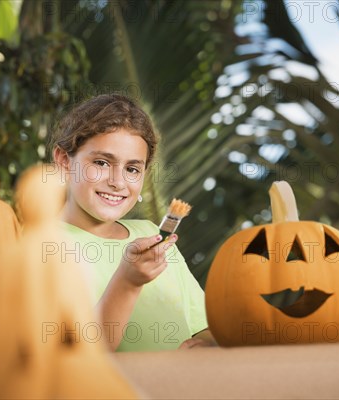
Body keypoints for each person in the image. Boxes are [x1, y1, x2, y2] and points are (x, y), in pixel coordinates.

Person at [50, 93, 215, 351]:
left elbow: (205, 329)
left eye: (132, 169)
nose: (118, 181)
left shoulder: (151, 235)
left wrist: (205, 347)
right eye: (102, 162)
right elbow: (74, 359)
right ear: (63, 160)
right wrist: (127, 282)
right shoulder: (40, 245)